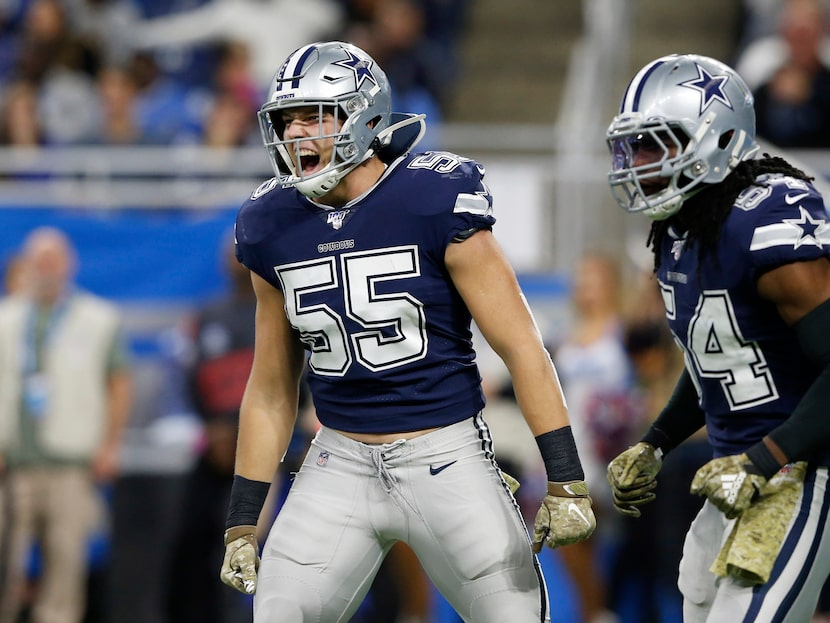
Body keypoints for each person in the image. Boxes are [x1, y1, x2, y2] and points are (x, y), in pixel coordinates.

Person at [218, 40, 596, 623]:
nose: (295, 134)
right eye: (286, 120)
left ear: (363, 116)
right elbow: (270, 386)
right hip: (336, 462)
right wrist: (243, 518)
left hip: (446, 456)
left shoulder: (431, 197)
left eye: (314, 116)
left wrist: (566, 478)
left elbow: (522, 347)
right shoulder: (269, 224)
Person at [604, 53, 830, 622]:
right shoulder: (680, 227)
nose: (641, 163)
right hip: (737, 472)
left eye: (658, 144)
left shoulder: (766, 216)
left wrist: (767, 457)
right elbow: (719, 356)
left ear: (719, 138)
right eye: (635, 146)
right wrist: (656, 441)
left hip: (804, 471)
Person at [0, 226, 133, 623]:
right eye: (38, 259)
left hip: (70, 466)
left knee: (64, 572)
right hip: (12, 467)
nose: (46, 267)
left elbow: (119, 384)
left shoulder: (98, 319)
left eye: (53, 259)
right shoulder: (7, 319)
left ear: (69, 264)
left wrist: (109, 446)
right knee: (6, 566)